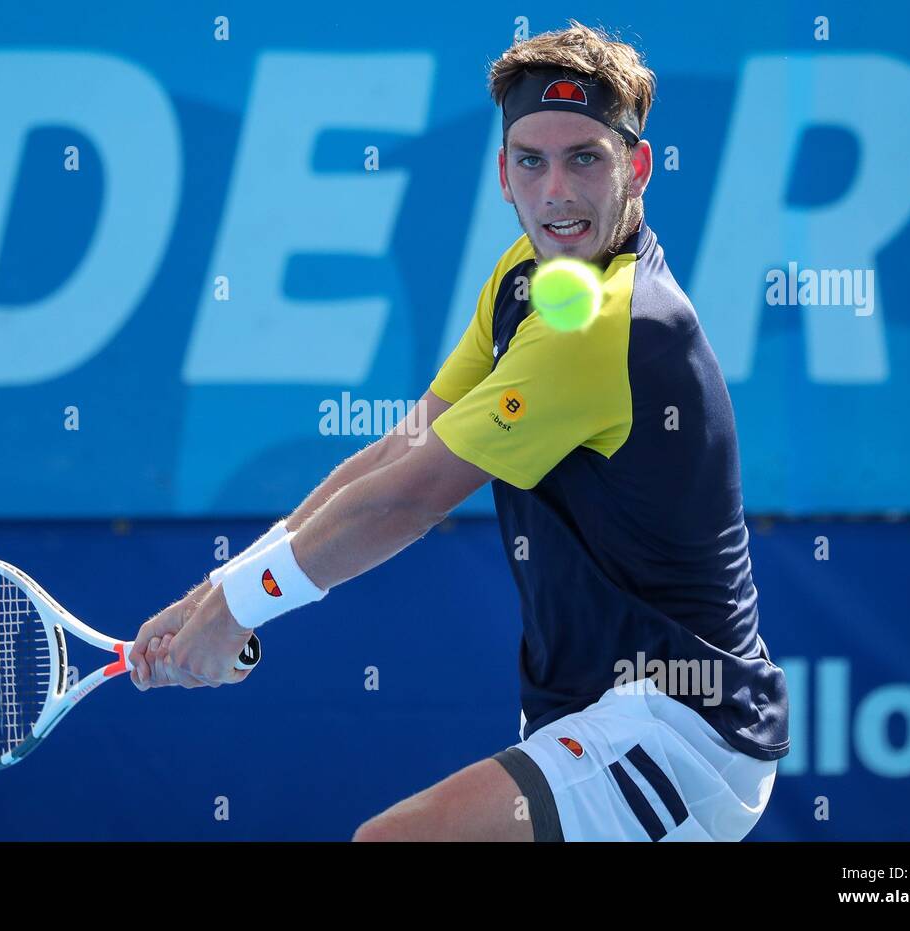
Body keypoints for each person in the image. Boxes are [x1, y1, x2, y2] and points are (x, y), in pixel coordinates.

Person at [129, 20, 789, 841]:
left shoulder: (603, 326)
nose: (557, 190)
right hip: (590, 713)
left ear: (637, 168)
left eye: (586, 156)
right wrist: (211, 597)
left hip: (682, 726)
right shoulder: (524, 280)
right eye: (531, 159)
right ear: (503, 177)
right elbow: (397, 451)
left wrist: (242, 606)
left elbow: (404, 502)